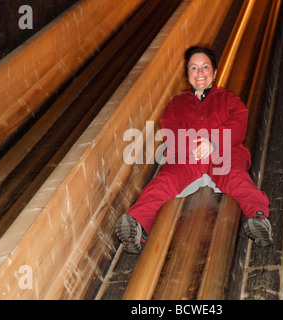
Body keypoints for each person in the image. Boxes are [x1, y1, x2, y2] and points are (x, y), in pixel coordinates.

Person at [116, 46, 272, 254]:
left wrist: (213, 143)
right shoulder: (176, 104)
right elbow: (170, 128)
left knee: (236, 178)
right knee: (164, 182)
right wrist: (193, 147)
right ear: (188, 75)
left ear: (215, 73)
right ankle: (137, 226)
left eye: (205, 66)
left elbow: (238, 124)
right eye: (194, 68)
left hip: (223, 153)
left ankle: (259, 219)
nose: (200, 72)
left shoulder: (229, 100)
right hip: (188, 157)